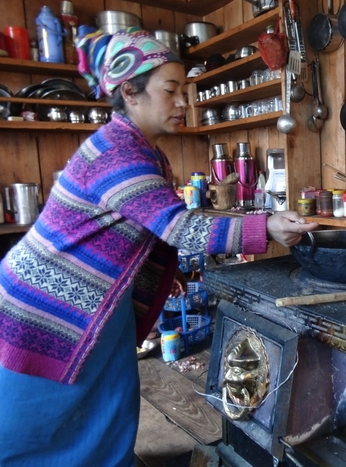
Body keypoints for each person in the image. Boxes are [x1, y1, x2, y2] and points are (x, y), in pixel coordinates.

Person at [0, 27, 318, 466]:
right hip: (49, 307)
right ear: (130, 92)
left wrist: (155, 280)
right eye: (171, 91)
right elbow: (178, 227)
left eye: (184, 90)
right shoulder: (118, 153)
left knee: (106, 408)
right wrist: (265, 227)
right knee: (43, 426)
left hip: (95, 304)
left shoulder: (145, 152)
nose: (184, 102)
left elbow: (146, 228)